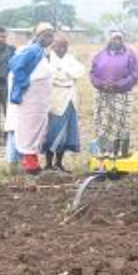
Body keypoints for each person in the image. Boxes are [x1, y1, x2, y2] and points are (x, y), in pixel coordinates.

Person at [6, 23, 55, 175]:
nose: (49, 38)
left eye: (51, 35)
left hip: (39, 101)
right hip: (31, 99)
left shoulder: (41, 51)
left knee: (36, 129)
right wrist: (24, 83)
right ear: (37, 36)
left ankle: (32, 164)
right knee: (29, 129)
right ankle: (30, 165)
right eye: (45, 35)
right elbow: (16, 66)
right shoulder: (32, 50)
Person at [90, 30, 138, 158]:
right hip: (103, 95)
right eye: (114, 38)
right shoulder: (99, 55)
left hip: (122, 95)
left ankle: (119, 154)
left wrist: (119, 85)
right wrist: (101, 84)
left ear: (123, 40)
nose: (117, 41)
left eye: (119, 38)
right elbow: (92, 73)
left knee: (120, 124)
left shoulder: (130, 55)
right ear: (109, 40)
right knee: (103, 123)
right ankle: (103, 153)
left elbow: (135, 74)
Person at [43, 32, 85, 172]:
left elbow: (80, 71)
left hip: (70, 99)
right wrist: (68, 74)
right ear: (53, 46)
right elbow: (52, 76)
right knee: (53, 131)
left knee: (65, 132)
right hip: (55, 98)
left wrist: (66, 72)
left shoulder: (69, 58)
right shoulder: (47, 58)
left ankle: (59, 163)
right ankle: (48, 163)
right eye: (59, 46)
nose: (62, 49)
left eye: (65, 46)